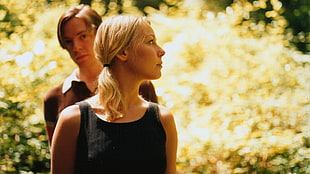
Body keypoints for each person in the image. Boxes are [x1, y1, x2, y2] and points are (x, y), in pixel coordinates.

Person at [50, 15, 178, 174]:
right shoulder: (72, 120)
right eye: (150, 41)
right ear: (123, 52)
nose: (161, 51)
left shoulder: (163, 119)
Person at [44, 5, 158, 144]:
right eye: (68, 41)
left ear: (100, 34)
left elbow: (157, 144)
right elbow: (56, 154)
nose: (76, 47)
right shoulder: (54, 97)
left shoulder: (141, 85)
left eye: (83, 36)